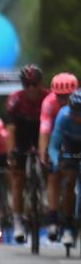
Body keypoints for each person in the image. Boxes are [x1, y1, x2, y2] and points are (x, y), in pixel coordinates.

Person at [5, 64, 50, 243]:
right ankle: (17, 221)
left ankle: (46, 190)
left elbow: (51, 128)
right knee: (18, 179)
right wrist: (11, 154)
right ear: (22, 85)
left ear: (41, 83)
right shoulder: (15, 100)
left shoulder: (48, 98)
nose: (31, 88)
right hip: (22, 134)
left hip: (42, 132)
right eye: (27, 84)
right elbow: (10, 129)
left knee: (49, 162)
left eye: (35, 84)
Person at [40, 73, 78, 244]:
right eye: (59, 96)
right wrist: (49, 159)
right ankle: (57, 221)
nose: (62, 99)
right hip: (65, 141)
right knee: (60, 177)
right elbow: (48, 136)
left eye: (66, 96)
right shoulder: (60, 112)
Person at [48, 89, 81, 245]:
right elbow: (53, 146)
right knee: (68, 182)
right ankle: (68, 226)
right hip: (69, 149)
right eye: (76, 113)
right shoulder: (63, 116)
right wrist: (55, 162)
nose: (78, 117)